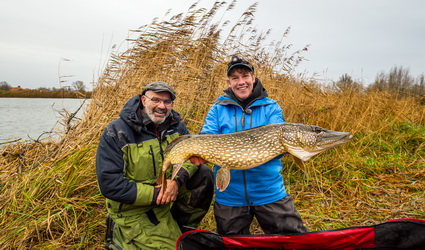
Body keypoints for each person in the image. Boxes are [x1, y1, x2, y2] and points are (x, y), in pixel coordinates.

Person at [96, 81, 214, 249]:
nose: (162, 106)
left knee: (203, 174)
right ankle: (119, 231)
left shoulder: (176, 126)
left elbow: (191, 158)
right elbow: (110, 185)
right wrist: (157, 193)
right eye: (156, 100)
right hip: (134, 209)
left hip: (164, 199)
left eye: (167, 102)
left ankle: (180, 228)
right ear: (144, 100)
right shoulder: (117, 132)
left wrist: (175, 182)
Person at [199, 55, 308, 235]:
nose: (241, 82)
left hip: (269, 192)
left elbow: (281, 140)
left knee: (294, 241)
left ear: (253, 78)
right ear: (229, 82)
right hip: (230, 195)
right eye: (235, 78)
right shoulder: (218, 108)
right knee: (231, 244)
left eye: (245, 76)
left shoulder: (271, 107)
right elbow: (207, 135)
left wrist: (293, 148)